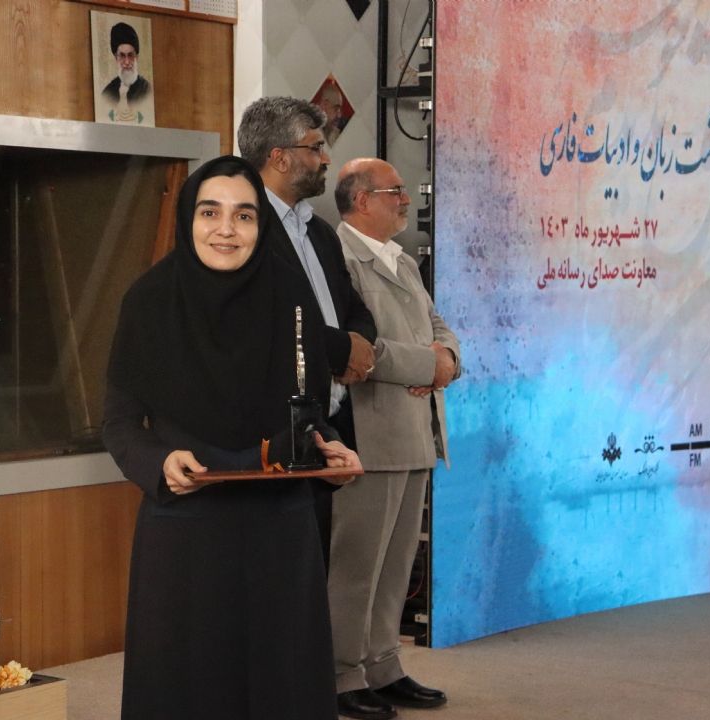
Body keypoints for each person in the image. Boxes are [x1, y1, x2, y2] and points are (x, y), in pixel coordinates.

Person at [103, 155, 361, 720]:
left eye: (244, 215)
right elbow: (119, 423)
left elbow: (309, 411)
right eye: (210, 212)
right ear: (188, 218)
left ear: (260, 225)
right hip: (186, 528)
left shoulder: (291, 295)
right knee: (188, 687)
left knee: (282, 684)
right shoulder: (148, 300)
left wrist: (328, 448)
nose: (226, 229)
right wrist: (158, 463)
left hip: (279, 527)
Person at [328, 158, 461, 720]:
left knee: (396, 563)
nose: (406, 200)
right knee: (358, 565)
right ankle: (342, 674)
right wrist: (427, 365)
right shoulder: (338, 258)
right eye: (395, 191)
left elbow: (438, 327)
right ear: (361, 200)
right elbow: (357, 349)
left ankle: (383, 666)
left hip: (415, 434)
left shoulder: (401, 259)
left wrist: (446, 357)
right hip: (371, 433)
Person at [237, 96, 377, 564]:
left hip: (326, 430)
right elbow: (269, 323)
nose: (326, 159)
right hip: (274, 438)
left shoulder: (318, 231)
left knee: (315, 578)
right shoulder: (245, 231)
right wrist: (339, 352)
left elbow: (355, 309)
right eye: (315, 148)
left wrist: (358, 344)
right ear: (279, 158)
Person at [101, 22, 151, 121]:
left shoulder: (147, 90)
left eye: (130, 55)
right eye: (122, 56)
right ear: (116, 58)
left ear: (137, 57)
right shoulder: (108, 93)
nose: (127, 62)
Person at [315, 80, 345, 146]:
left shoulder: (337, 135)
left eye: (340, 110)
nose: (339, 115)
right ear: (324, 105)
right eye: (336, 109)